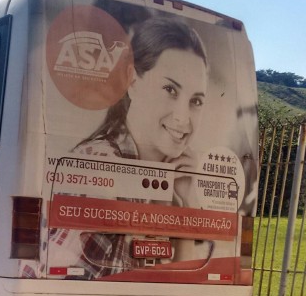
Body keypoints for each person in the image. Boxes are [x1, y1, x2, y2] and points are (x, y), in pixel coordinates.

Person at [51, 16, 210, 279]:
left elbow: (174, 284)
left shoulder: (160, 181)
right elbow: (65, 280)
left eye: (196, 100)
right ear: (132, 81)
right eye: (170, 89)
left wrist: (185, 207)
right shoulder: (101, 164)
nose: (183, 118)